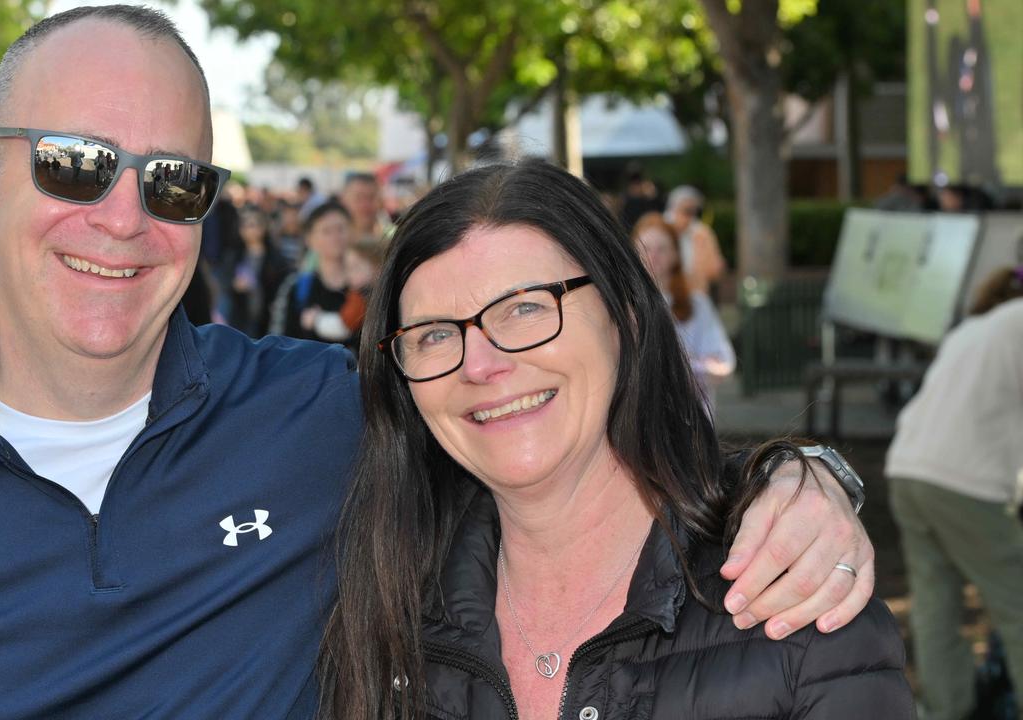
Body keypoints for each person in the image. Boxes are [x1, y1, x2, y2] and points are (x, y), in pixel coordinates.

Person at [0, 7, 876, 717]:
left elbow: (553, 435)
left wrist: (806, 476)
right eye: (76, 164)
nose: (121, 217)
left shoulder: (322, 419)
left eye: (171, 180)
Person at [318, 160, 911, 719]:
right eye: (433, 335)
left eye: (524, 308)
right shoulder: (385, 611)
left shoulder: (799, 604)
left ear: (626, 315)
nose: (481, 364)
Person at [885, 266, 1023, 720]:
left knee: (934, 601)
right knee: (1015, 600)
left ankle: (946, 710)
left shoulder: (973, 330)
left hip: (907, 468)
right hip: (965, 480)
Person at [633, 212, 735, 411]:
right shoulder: (623, 306)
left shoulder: (697, 305)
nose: (652, 257)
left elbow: (723, 363)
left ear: (675, 254)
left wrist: (691, 366)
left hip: (691, 419)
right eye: (645, 249)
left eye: (661, 249)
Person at [270, 201, 352, 343]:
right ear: (309, 239)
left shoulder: (367, 287)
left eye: (341, 229)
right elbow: (279, 341)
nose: (335, 237)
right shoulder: (295, 286)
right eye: (326, 231)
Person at [229, 207, 291, 337]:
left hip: (268, 321)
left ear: (264, 226)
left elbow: (283, 287)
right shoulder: (234, 256)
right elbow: (225, 287)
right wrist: (233, 285)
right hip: (240, 320)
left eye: (253, 224)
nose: (249, 229)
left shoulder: (276, 259)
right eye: (245, 225)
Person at [664, 184, 726, 296]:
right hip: (666, 293)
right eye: (686, 211)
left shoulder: (702, 233)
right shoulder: (661, 230)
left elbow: (715, 268)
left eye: (693, 211)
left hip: (696, 294)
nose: (689, 216)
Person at [341, 172, 394, 243]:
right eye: (358, 198)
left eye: (371, 198)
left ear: (381, 201)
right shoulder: (332, 242)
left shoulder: (395, 238)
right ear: (344, 201)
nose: (365, 205)